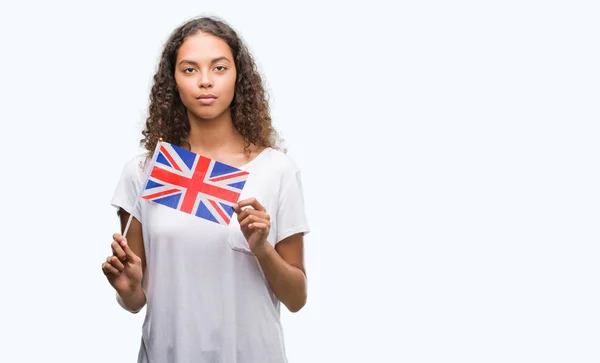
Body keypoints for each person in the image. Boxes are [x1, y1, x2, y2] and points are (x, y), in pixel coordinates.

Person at [101, 16, 310, 363]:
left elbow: (297, 298)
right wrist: (129, 289)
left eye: (219, 67)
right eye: (189, 70)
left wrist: (261, 248)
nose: (205, 81)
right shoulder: (145, 172)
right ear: (173, 82)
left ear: (238, 77)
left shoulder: (276, 170)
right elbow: (136, 299)